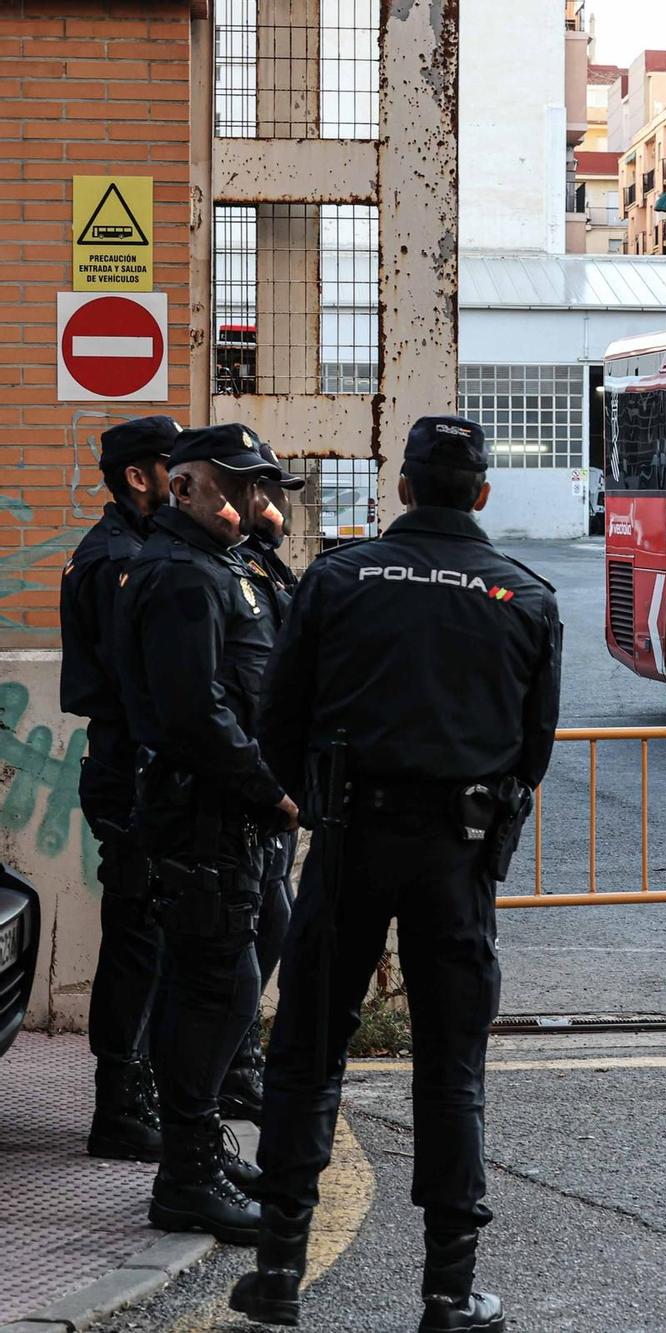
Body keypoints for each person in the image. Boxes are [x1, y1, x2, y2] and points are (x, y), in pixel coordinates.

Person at [232, 416, 562, 1333]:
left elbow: (277, 722)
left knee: (306, 1055)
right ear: (483, 495)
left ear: (404, 487)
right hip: (457, 860)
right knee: (451, 1065)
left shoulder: (340, 579)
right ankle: (449, 1294)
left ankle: (278, 1274)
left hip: (349, 843)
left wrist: (323, 799)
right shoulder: (524, 595)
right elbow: (533, 753)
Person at [114, 424, 298, 1245]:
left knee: (230, 977)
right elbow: (196, 715)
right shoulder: (182, 576)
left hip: (230, 814)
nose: (249, 500)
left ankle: (200, 1155)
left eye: (255, 486)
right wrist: (272, 790)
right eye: (231, 484)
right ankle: (185, 1175)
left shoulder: (219, 566)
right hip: (204, 815)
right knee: (212, 990)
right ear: (181, 486)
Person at [59, 414, 179, 1161]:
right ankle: (118, 1102)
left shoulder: (136, 550)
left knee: (153, 932)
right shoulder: (114, 561)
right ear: (139, 476)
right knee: (136, 936)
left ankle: (140, 1088)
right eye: (175, 466)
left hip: (140, 766)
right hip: (129, 769)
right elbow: (139, 683)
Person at [220, 439, 307, 1123]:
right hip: (240, 784)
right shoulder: (225, 570)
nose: (274, 503)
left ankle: (236, 1066)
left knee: (268, 928)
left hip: (268, 778)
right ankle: (229, 1070)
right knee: (240, 938)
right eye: (264, 491)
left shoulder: (263, 568)